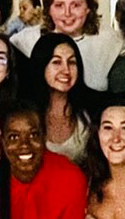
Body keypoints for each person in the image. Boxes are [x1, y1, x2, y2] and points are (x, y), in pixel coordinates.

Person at [10, 0, 122, 92]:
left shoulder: (107, 39)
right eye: (59, 6)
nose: (67, 13)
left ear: (88, 8)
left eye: (75, 5)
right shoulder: (28, 39)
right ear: (49, 10)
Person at [30, 31, 94, 164]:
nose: (66, 70)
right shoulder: (26, 112)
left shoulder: (90, 111)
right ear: (41, 65)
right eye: (56, 62)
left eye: (72, 62)